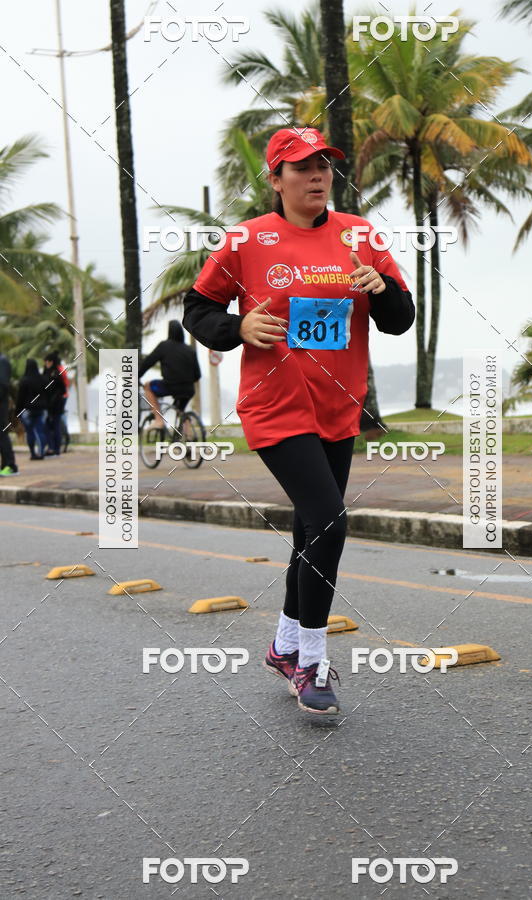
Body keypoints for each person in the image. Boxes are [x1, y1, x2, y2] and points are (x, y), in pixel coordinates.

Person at [182, 126, 415, 715]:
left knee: (312, 529)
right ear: (275, 178)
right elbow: (198, 306)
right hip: (275, 405)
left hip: (338, 406)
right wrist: (237, 328)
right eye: (302, 166)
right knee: (331, 523)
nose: (317, 176)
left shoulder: (358, 235)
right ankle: (310, 658)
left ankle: (284, 645)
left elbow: (399, 318)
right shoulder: (247, 240)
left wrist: (381, 286)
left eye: (324, 166)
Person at [139, 320, 201, 427]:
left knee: (148, 386)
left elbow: (148, 362)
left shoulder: (164, 346)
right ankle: (189, 435)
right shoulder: (190, 350)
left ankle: (159, 420)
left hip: (170, 386)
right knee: (180, 410)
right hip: (189, 389)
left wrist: (137, 376)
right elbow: (197, 374)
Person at [16, 358, 48, 459]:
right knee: (40, 431)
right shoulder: (43, 379)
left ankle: (33, 454)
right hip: (41, 410)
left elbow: (20, 398)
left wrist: (18, 412)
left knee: (30, 432)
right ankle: (41, 453)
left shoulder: (24, 381)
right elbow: (47, 395)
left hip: (28, 410)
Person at [42, 353, 67, 456]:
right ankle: (52, 448)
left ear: (51, 362)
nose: (46, 364)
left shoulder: (56, 373)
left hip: (55, 404)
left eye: (47, 362)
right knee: (49, 426)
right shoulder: (47, 372)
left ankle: (55, 449)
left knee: (54, 426)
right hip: (49, 404)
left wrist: (54, 399)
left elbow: (62, 389)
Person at [0, 350, 18, 476]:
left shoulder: (3, 361)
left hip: (1, 406)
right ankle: (4, 465)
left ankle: (10, 466)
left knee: (2, 435)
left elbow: (3, 386)